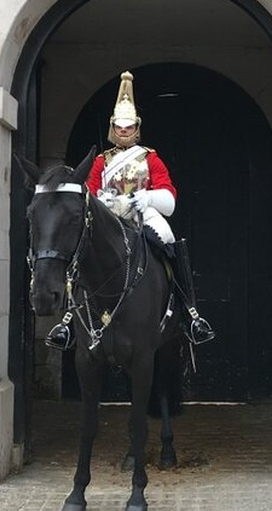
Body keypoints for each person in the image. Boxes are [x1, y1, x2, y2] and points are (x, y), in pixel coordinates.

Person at [84, 71, 215, 346]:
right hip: (109, 217)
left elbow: (169, 197)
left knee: (167, 240)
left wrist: (147, 198)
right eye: (119, 126)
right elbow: (88, 191)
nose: (123, 131)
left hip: (143, 213)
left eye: (129, 126)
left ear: (136, 127)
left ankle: (190, 312)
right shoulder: (100, 161)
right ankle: (69, 322)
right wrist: (100, 201)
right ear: (112, 127)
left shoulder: (150, 158)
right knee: (80, 246)